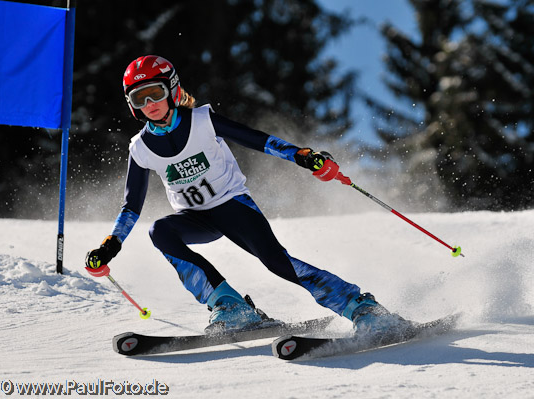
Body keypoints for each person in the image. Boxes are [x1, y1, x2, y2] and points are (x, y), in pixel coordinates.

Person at [85, 55, 411, 336]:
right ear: (132, 106)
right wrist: (110, 245)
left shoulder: (202, 121)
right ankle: (231, 308)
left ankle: (362, 308)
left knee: (277, 263)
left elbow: (259, 140)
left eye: (154, 93)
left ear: (171, 89)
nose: (150, 104)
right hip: (196, 218)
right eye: (139, 98)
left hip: (233, 206)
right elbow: (131, 206)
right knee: (161, 232)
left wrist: (304, 156)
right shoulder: (140, 148)